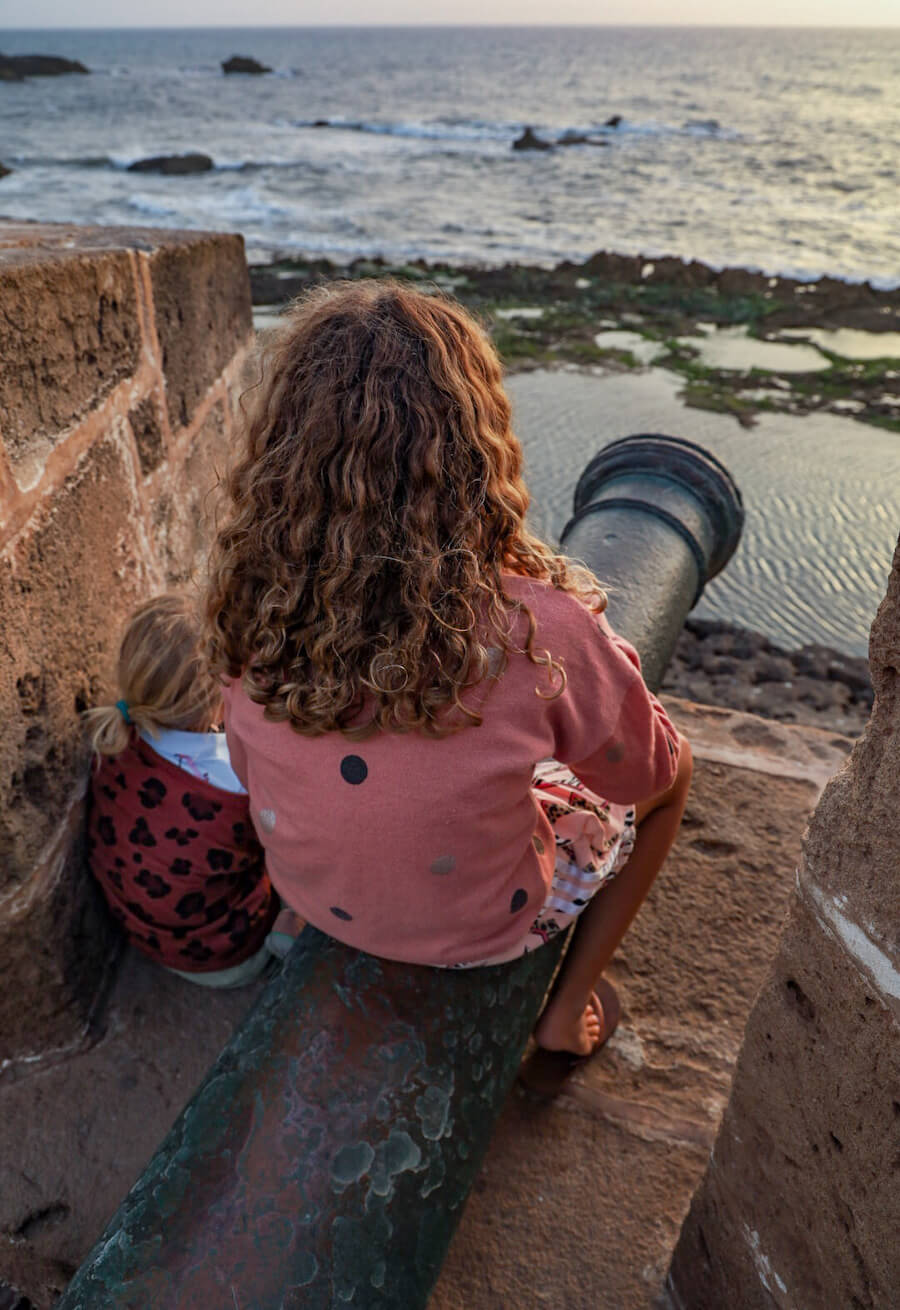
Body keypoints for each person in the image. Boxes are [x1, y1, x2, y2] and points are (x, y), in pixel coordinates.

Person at [206, 282, 692, 1055]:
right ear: (474, 449)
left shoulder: (246, 599)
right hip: (481, 923)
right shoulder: (537, 630)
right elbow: (646, 769)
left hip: (314, 897)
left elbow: (248, 761)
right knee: (674, 783)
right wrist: (601, 648)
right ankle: (565, 1014)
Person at [84, 594, 278, 988]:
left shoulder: (114, 740)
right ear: (216, 702)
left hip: (144, 936)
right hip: (227, 959)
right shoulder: (235, 781)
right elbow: (285, 847)